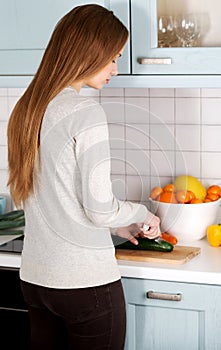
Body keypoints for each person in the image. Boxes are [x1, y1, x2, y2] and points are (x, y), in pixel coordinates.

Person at [7, 4, 160, 350]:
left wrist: (113, 227)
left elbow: (53, 197)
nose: (115, 70)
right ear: (88, 52)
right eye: (111, 58)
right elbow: (99, 209)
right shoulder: (85, 111)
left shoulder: (27, 108)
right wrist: (141, 214)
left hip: (36, 282)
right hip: (85, 286)